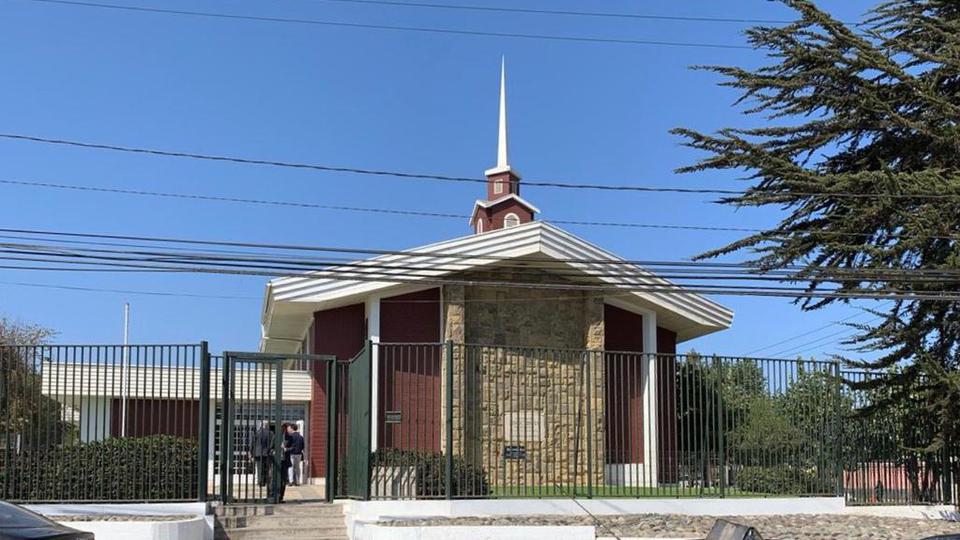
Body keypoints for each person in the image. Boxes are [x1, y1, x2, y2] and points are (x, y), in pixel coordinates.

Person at [249, 420, 273, 488]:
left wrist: (251, 452)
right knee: (267, 468)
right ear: (267, 425)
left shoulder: (257, 433)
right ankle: (266, 481)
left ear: (261, 425)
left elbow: (252, 444)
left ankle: (260, 481)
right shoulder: (270, 433)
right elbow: (272, 443)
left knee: (259, 468)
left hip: (258, 453)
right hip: (267, 453)